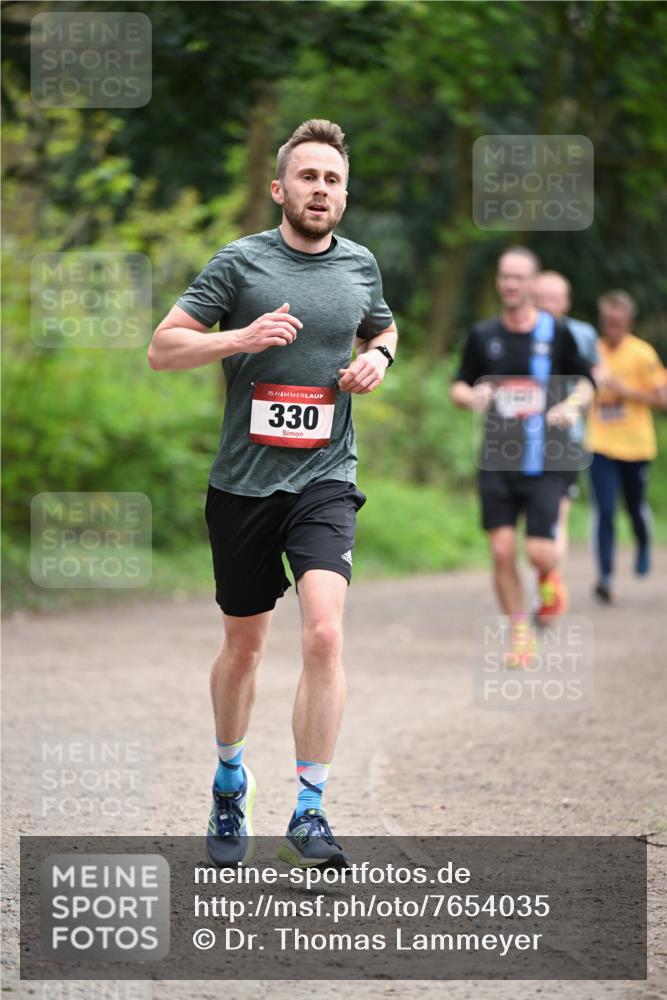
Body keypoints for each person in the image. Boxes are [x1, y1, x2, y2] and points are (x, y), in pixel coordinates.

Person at [147, 119, 397, 868]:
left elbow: (382, 329)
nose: (319, 190)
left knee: (324, 633)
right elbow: (163, 348)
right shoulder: (240, 263)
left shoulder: (360, 267)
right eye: (307, 177)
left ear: (344, 195)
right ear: (278, 188)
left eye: (331, 180)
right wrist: (238, 339)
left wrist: (378, 358)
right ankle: (230, 781)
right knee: (244, 648)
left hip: (324, 477)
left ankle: (311, 809)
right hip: (244, 486)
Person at [451, 247, 594, 666]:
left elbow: (586, 382)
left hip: (548, 457)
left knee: (538, 552)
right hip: (497, 457)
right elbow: (458, 385)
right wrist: (473, 396)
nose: (511, 285)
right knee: (500, 550)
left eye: (519, 278)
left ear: (533, 284)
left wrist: (571, 406)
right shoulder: (484, 336)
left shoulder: (557, 334)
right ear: (499, 282)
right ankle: (519, 632)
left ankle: (550, 576)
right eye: (505, 277)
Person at [587, 290, 667, 603]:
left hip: (636, 446)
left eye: (618, 322)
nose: (612, 327)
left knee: (634, 508)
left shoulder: (643, 354)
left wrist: (625, 390)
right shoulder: (592, 351)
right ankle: (605, 577)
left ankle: (643, 541)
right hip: (600, 444)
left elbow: (662, 400)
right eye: (607, 322)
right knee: (604, 510)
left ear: (629, 322)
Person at [534, 270, 599, 580]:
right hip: (522, 443)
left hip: (565, 439)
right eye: (541, 297)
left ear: (567, 302)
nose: (547, 304)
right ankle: (546, 573)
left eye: (554, 298)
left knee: (556, 517)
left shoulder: (580, 333)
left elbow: (592, 378)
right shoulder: (520, 329)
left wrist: (571, 406)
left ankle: (550, 580)